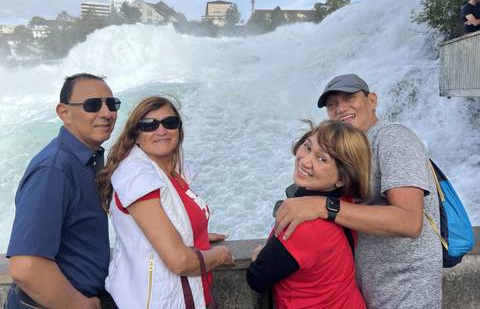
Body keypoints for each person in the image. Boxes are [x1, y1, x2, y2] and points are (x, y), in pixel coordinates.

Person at [274, 74, 442, 309]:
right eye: (332, 104)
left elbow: (409, 221)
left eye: (349, 98)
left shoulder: (393, 138)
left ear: (372, 100)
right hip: (367, 290)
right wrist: (279, 251)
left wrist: (324, 206)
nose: (340, 108)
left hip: (406, 292)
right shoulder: (350, 150)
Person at [97, 96, 234, 309]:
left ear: (179, 130)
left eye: (170, 123)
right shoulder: (137, 177)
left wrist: (197, 232)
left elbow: (166, 220)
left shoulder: (172, 170)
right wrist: (221, 255)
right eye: (149, 125)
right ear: (136, 135)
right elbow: (179, 261)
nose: (161, 131)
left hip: (191, 296)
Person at [5, 73, 120, 309]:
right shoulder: (54, 169)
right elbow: (26, 266)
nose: (106, 113)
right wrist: (82, 305)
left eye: (111, 104)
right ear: (64, 113)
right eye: (92, 105)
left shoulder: (85, 160)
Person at [247, 120, 370, 309]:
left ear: (341, 179)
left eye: (322, 159)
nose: (304, 161)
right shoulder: (344, 204)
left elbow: (256, 278)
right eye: (307, 147)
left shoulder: (303, 227)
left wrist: (261, 255)